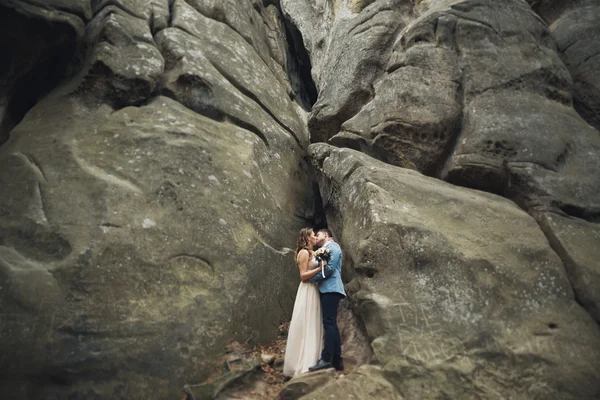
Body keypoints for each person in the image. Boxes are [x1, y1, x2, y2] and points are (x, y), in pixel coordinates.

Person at [283, 228, 325, 377]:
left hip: (313, 289)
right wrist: (319, 269)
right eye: (313, 235)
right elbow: (303, 276)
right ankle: (302, 363)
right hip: (307, 289)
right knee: (306, 322)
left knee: (313, 322)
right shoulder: (304, 253)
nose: (315, 237)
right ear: (307, 238)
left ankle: (312, 359)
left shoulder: (312, 252)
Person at [309, 229, 346, 372]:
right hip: (327, 289)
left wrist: (313, 279)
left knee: (328, 323)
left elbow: (329, 268)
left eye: (318, 235)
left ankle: (326, 359)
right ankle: (337, 360)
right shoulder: (324, 249)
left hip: (332, 288)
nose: (316, 237)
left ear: (325, 235)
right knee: (332, 324)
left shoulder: (333, 247)